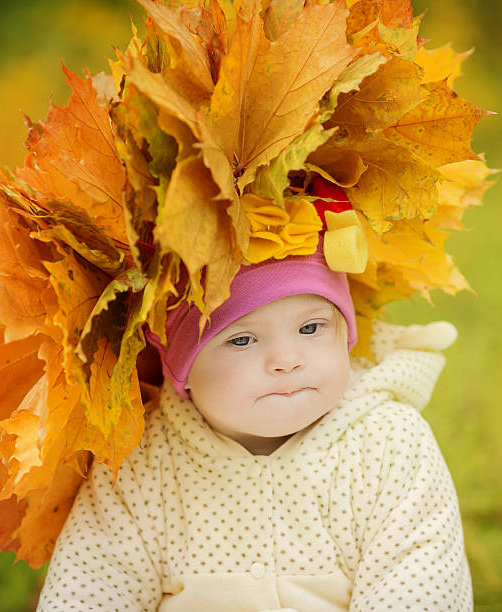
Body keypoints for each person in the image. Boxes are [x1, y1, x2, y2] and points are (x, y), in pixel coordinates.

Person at [36, 197, 472, 610]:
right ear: (182, 367)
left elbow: (420, 580)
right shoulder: (144, 462)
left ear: (345, 332)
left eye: (311, 328)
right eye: (242, 339)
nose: (286, 360)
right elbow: (90, 586)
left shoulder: (388, 442)